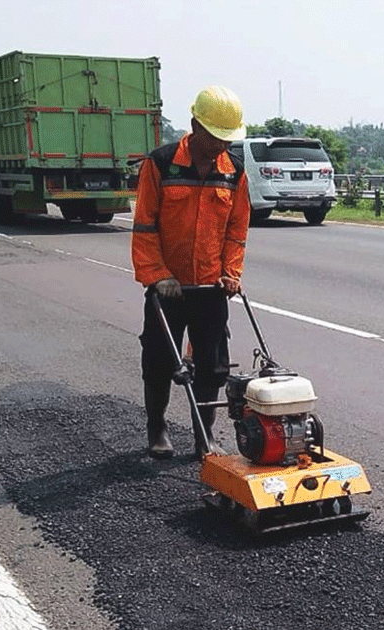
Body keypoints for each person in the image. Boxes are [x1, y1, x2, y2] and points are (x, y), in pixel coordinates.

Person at [131, 86, 251, 459]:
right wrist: (157, 275)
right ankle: (158, 426)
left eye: (226, 140)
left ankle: (205, 434)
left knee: (213, 365)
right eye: (215, 138)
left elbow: (237, 230)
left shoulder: (234, 171)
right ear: (195, 124)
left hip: (211, 287)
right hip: (168, 287)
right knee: (159, 358)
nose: (220, 147)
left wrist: (230, 273)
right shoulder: (162, 163)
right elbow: (145, 225)